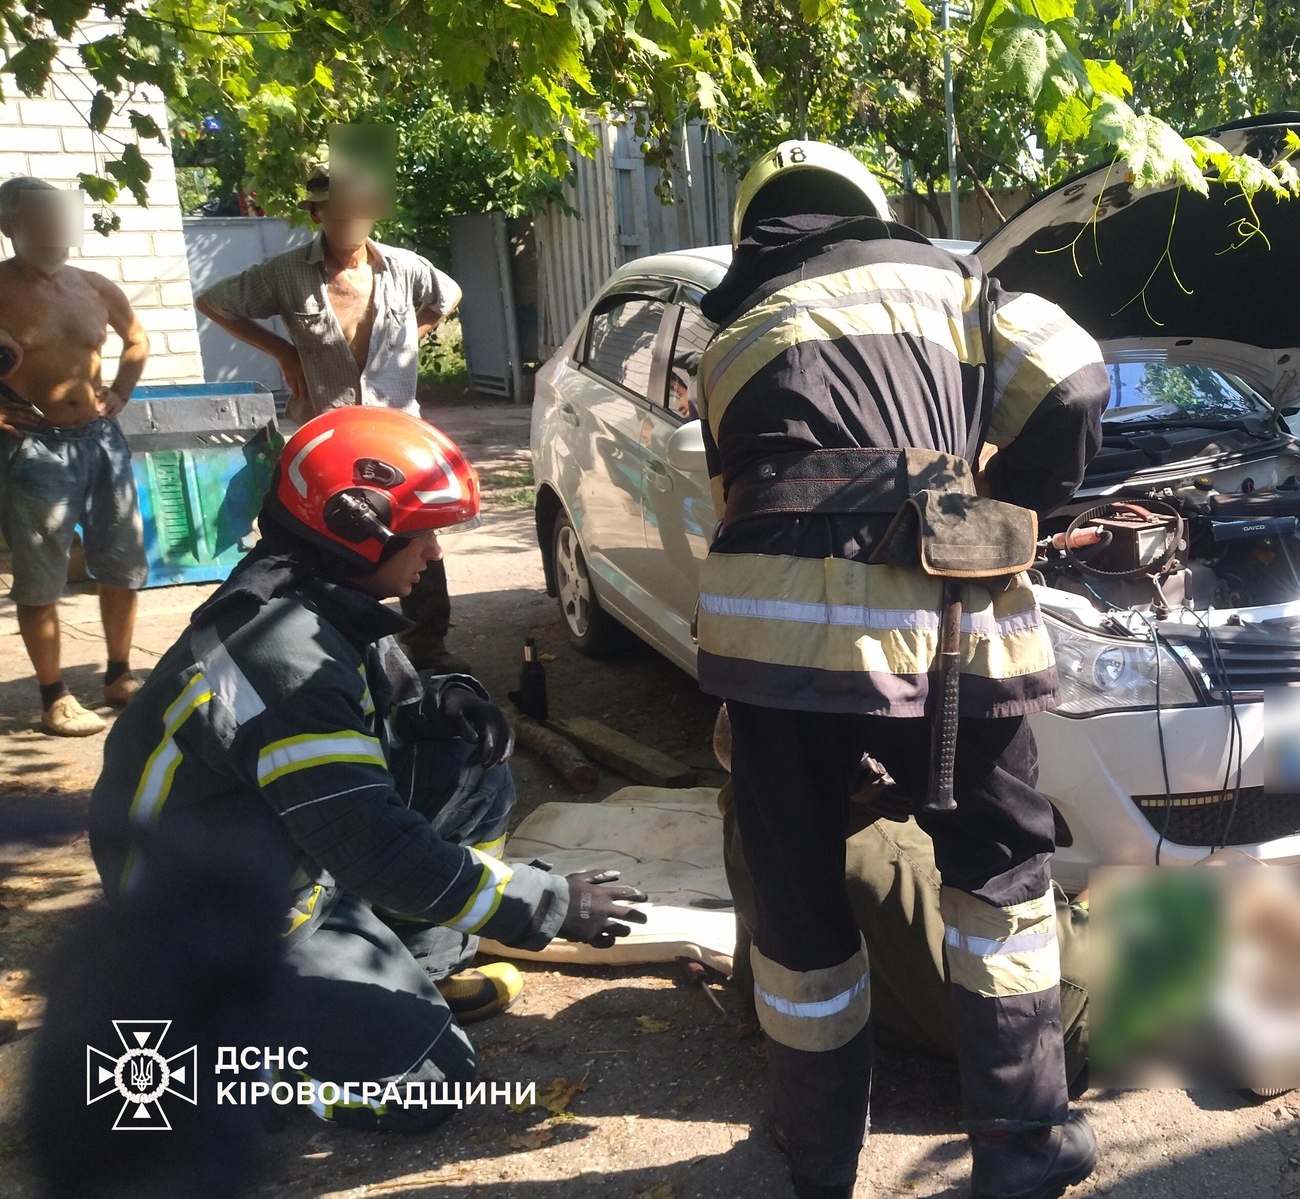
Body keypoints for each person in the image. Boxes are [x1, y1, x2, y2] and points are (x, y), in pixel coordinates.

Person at [696, 140, 1109, 1199]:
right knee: (1000, 879)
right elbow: (1071, 378)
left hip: (768, 642)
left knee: (797, 906)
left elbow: (737, 498)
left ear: (757, 230)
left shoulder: (729, 335)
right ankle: (1022, 1145)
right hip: (948, 626)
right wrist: (1013, 508)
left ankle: (818, 1155)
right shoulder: (957, 281)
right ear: (871, 210)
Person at [89, 406, 648, 1133]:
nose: (436, 554)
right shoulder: (284, 659)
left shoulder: (314, 603)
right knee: (428, 1089)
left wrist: (449, 702)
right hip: (221, 913)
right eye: (424, 535)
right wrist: (548, 904)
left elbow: (374, 720)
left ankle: (422, 964)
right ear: (360, 532)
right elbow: (374, 845)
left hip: (273, 850)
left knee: (471, 767)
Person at [709, 705, 1092, 1095]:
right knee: (1123, 888)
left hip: (994, 1040)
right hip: (1060, 1020)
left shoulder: (749, 848)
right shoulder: (893, 839)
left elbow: (750, 970)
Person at [194, 164, 466, 671]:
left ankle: (428, 645)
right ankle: (329, 646)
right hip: (326, 445)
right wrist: (283, 352)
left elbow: (447, 295)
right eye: (336, 211)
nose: (350, 221)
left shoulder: (403, 266)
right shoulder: (286, 272)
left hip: (395, 437)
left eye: (359, 210)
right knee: (325, 547)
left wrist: (411, 338)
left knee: (416, 540)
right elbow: (214, 302)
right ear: (317, 213)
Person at [0, 176, 151, 736]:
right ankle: (54, 696)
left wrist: (121, 392)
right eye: (39, 218)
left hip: (102, 441)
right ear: (9, 225)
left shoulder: (92, 285)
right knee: (41, 581)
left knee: (122, 563)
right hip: (33, 449)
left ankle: (118, 674)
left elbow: (137, 339)